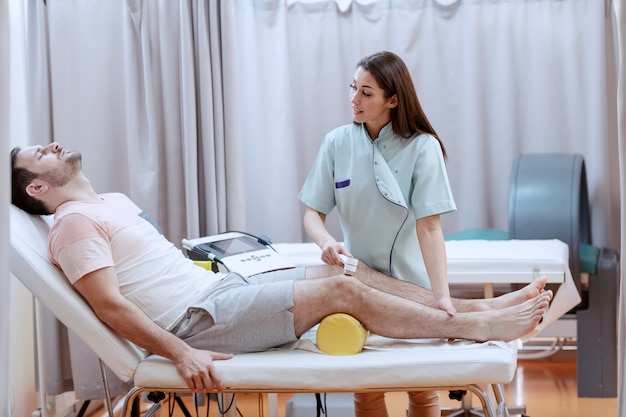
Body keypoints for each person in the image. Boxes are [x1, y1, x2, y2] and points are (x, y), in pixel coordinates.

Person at [11, 142, 552, 396]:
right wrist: (181, 351)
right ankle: (475, 328)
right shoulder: (72, 226)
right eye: (39, 152)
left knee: (348, 267)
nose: (52, 144)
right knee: (344, 290)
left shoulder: (112, 201)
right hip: (198, 320)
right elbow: (109, 305)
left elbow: (151, 269)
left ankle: (479, 305)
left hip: (220, 288)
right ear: (38, 188)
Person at [298, 51, 454, 416]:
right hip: (359, 288)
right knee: (366, 390)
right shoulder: (337, 143)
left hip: (412, 288)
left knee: (421, 390)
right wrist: (325, 241)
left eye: (367, 93)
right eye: (353, 88)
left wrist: (441, 297)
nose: (354, 99)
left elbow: (430, 227)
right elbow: (312, 214)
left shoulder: (422, 147)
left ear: (393, 99)